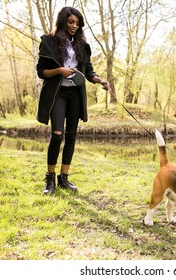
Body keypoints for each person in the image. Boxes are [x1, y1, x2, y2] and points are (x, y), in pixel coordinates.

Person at [36, 6, 111, 194]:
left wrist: (99, 80)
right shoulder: (49, 42)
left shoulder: (82, 46)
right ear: (62, 21)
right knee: (57, 135)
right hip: (58, 94)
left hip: (75, 94)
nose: (74, 26)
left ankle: (64, 178)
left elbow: (88, 71)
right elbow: (41, 72)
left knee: (71, 136)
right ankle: (50, 179)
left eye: (77, 23)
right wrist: (60, 71)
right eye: (71, 22)